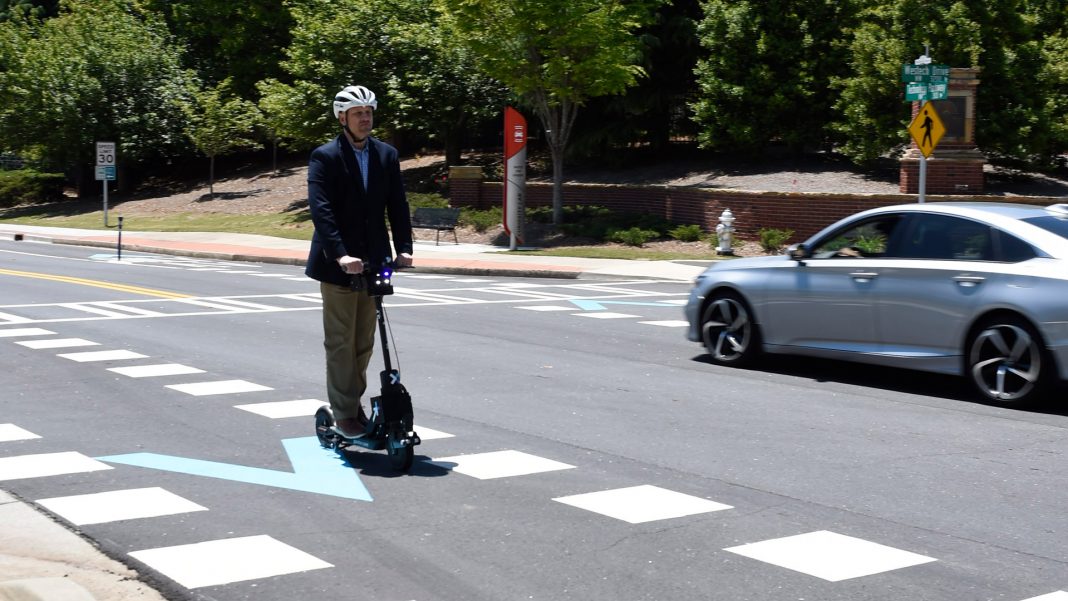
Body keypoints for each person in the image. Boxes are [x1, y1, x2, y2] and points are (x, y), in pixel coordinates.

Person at [305, 85, 414, 438]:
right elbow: (322, 212)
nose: (365, 118)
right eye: (357, 113)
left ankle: (354, 405)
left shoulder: (386, 154)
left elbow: (397, 204)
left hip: (375, 261)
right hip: (339, 263)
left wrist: (405, 247)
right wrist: (341, 254)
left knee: (365, 342)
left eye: (369, 112)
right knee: (340, 341)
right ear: (343, 118)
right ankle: (344, 413)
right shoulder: (325, 157)